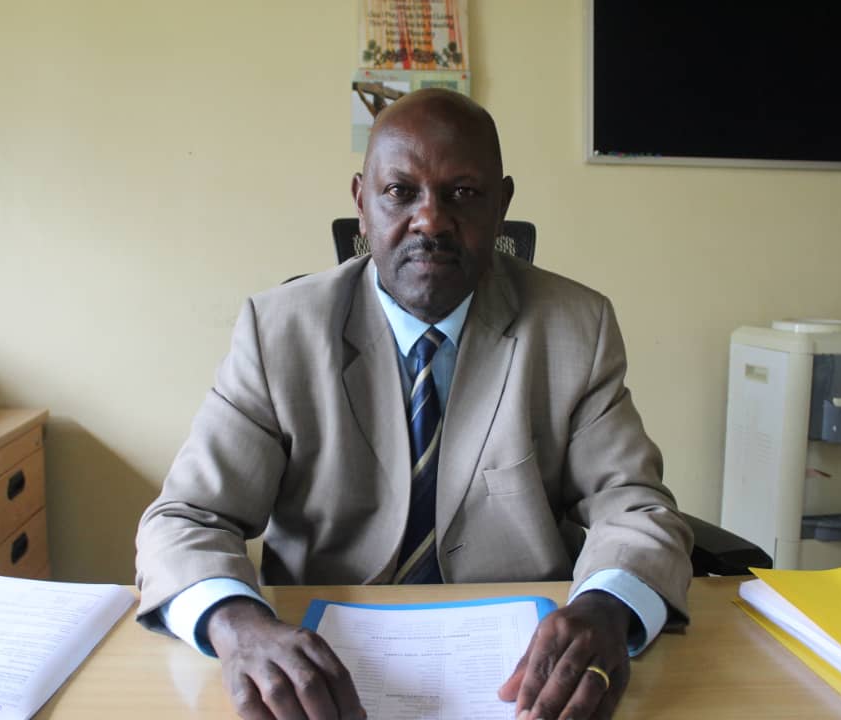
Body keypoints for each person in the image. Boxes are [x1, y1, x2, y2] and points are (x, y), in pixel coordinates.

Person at [135, 88, 693, 720]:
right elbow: (184, 518)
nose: (431, 220)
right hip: (320, 678)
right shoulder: (279, 330)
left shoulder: (575, 327)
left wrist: (606, 606)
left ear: (502, 206)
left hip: (520, 679)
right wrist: (236, 624)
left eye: (463, 193)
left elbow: (636, 507)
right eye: (401, 192)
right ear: (361, 203)